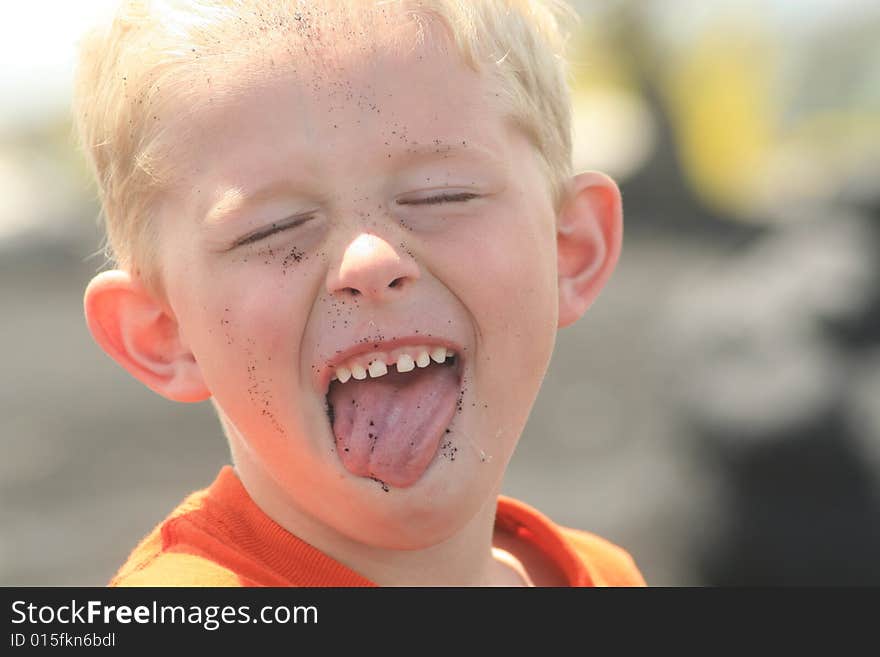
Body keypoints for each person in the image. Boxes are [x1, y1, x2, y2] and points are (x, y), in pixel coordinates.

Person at [73, 0, 645, 587]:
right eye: (273, 229)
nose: (370, 260)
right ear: (164, 333)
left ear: (569, 250)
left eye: (441, 194)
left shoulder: (605, 577)